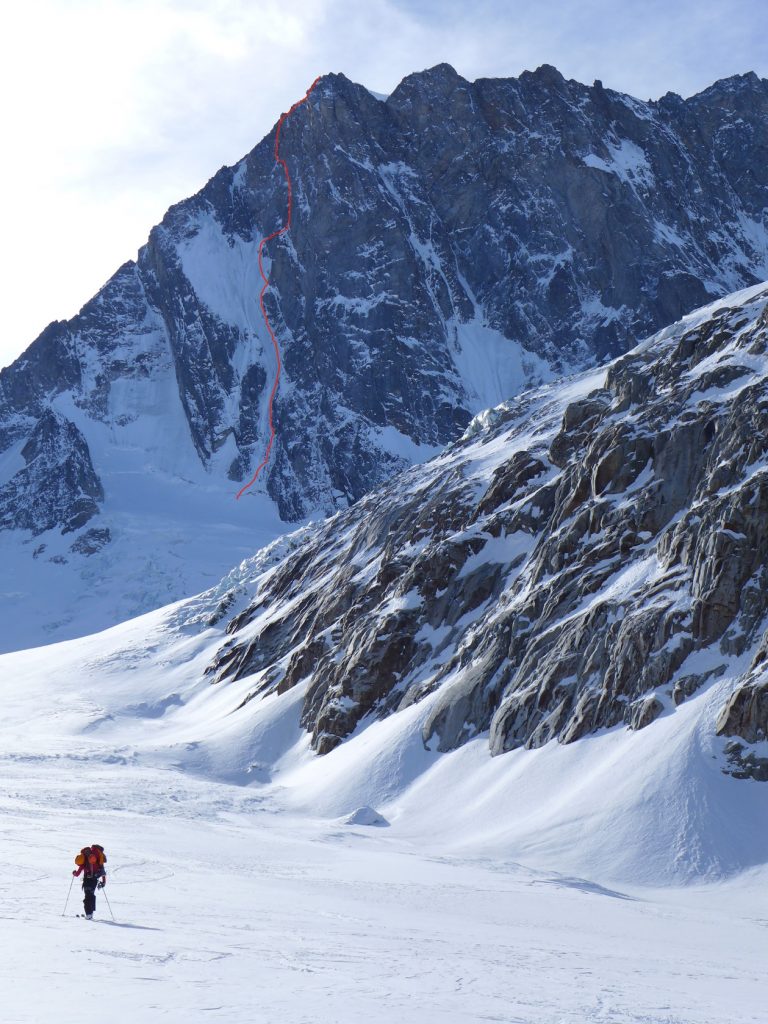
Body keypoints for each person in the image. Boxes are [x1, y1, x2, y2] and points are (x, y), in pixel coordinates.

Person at [72, 845, 107, 919]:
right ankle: (90, 913)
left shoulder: (85, 859)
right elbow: (103, 871)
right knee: (91, 895)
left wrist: (74, 873)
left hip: (87, 880)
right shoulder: (98, 860)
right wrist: (104, 882)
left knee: (87, 896)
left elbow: (77, 874)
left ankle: (88, 914)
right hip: (94, 880)